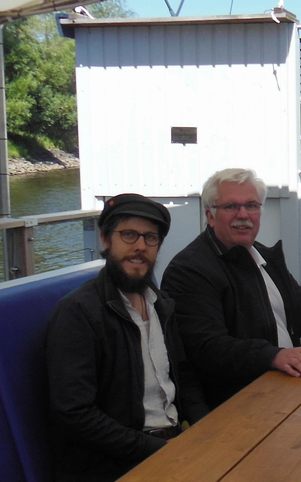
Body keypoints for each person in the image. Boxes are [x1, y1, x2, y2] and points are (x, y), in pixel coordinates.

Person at [46, 194, 209, 482]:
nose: (140, 247)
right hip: (113, 465)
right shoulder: (79, 313)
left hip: (172, 445)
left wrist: (203, 428)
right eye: (129, 235)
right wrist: (159, 449)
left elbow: (184, 374)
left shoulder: (161, 304)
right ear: (106, 240)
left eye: (150, 238)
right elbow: (75, 414)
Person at [161, 168, 301, 408]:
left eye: (252, 205)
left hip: (286, 386)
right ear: (210, 216)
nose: (243, 214)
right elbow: (207, 347)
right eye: (231, 206)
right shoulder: (189, 270)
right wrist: (273, 355)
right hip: (238, 403)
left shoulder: (265, 257)